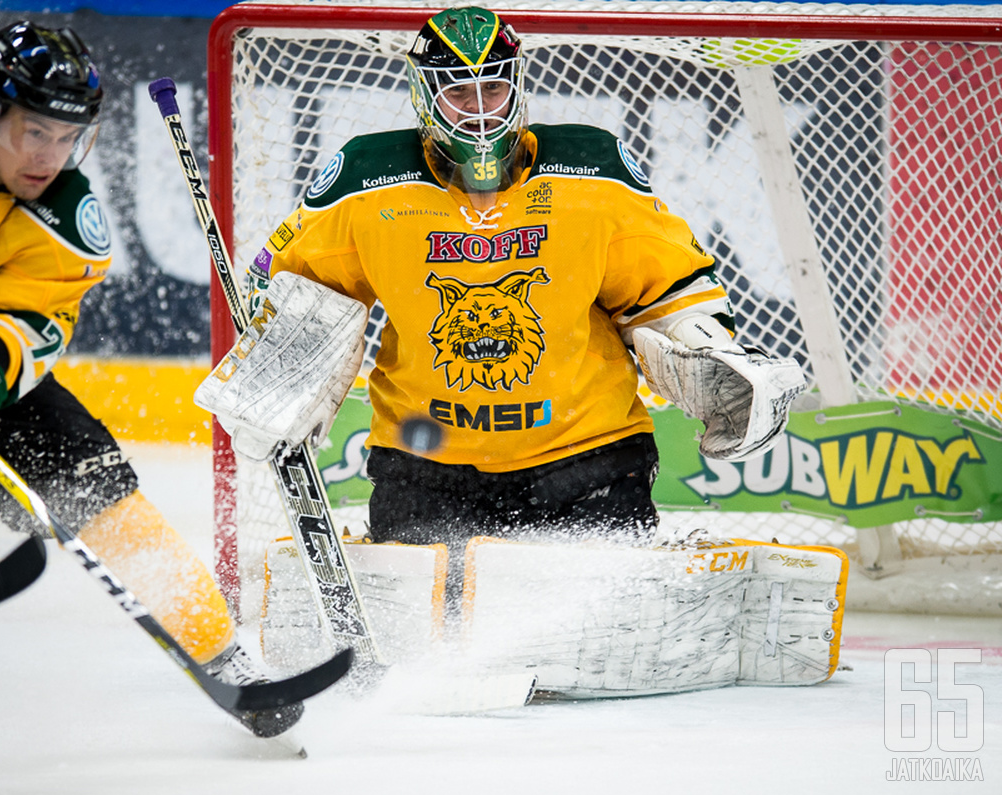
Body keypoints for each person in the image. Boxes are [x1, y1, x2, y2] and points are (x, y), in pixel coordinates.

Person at [199, 7, 803, 601]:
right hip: (426, 461)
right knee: (434, 625)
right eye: (461, 93)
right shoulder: (365, 181)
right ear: (424, 96)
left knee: (591, 624)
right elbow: (300, 291)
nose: (482, 110)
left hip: (587, 457)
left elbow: (666, 285)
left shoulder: (594, 174)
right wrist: (283, 367)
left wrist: (705, 346)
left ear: (519, 87)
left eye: (494, 89)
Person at [0, 21, 297, 738]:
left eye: (69, 137)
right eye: (36, 131)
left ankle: (222, 654)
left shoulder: (69, 218)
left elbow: (26, 323)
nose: (51, 156)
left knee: (99, 488)